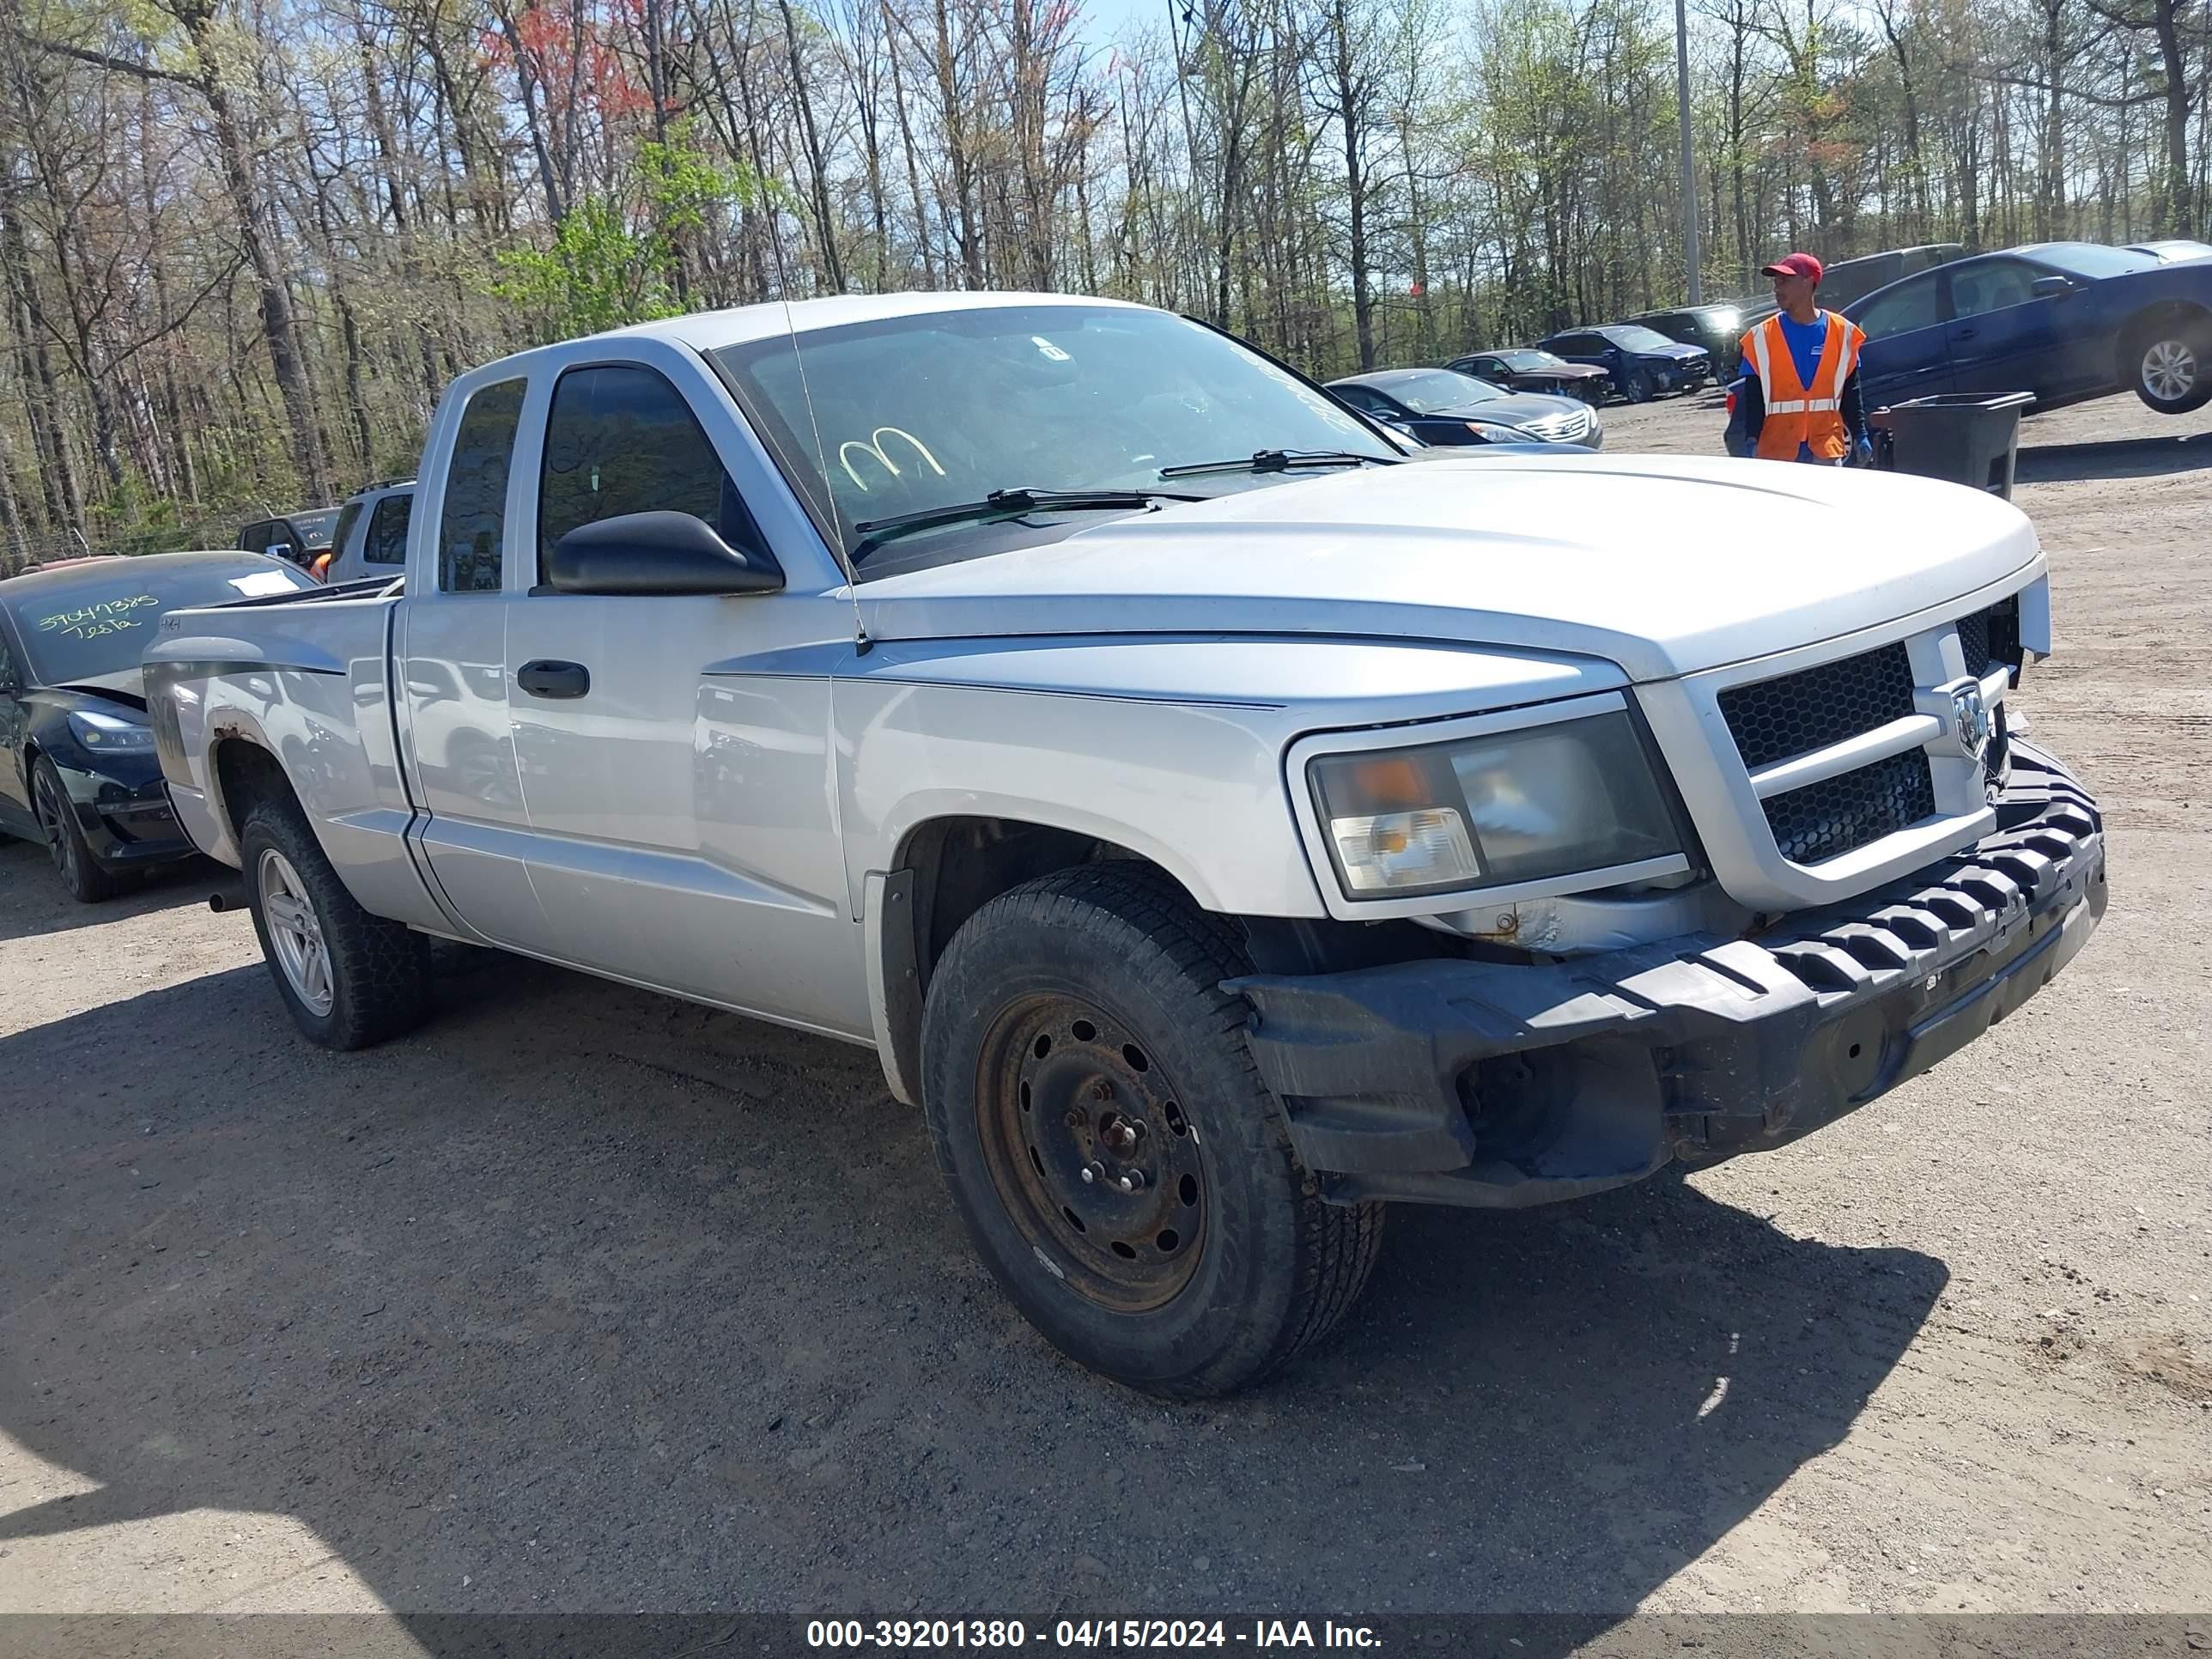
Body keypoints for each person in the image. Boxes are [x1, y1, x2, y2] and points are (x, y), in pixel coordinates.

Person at [1726, 252, 1872, 465]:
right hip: (1778, 451)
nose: (1777, 289)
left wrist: (1860, 434)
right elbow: (1754, 396)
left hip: (1825, 448)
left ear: (1809, 282)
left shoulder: (1843, 332)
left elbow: (1851, 390)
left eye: (1785, 281)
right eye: (1776, 283)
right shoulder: (1762, 336)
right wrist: (1751, 438)